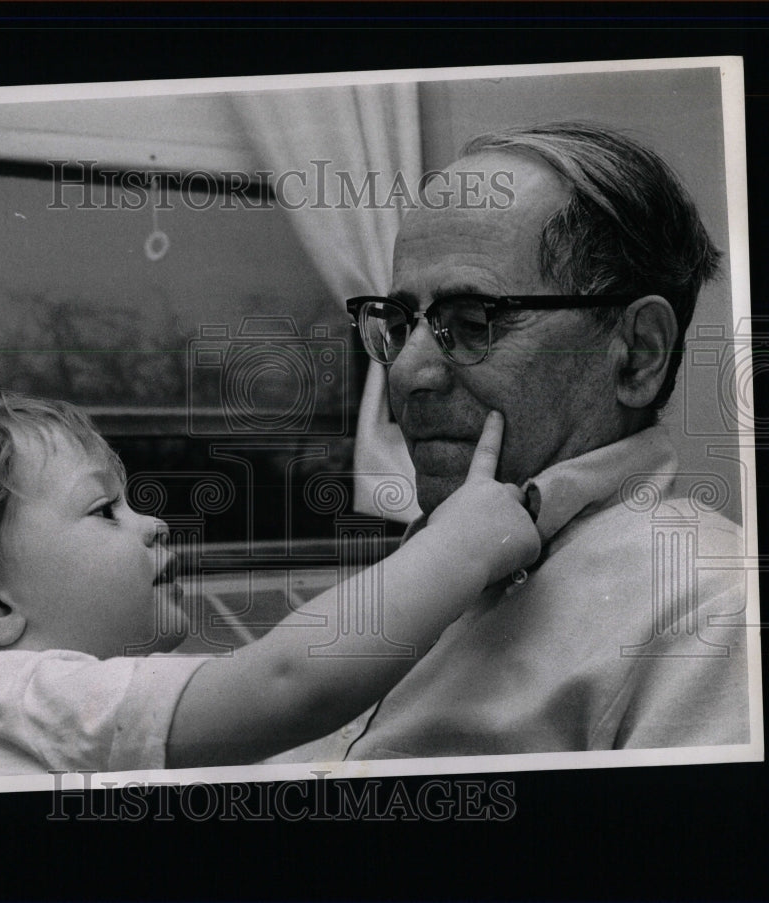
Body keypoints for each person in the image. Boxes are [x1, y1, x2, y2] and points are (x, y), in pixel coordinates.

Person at [275, 121, 750, 763]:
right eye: (396, 322)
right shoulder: (443, 558)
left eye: (471, 322)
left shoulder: (714, 615)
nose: (407, 375)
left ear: (639, 354)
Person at [0, 389, 539, 779]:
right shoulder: (21, 695)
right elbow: (289, 680)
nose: (151, 522)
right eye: (104, 510)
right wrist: (459, 546)